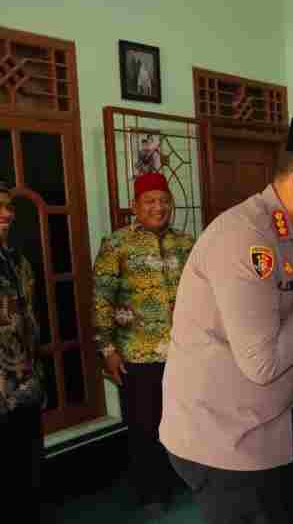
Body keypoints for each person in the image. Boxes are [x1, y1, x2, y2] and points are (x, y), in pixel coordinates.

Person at [160, 118, 293, 524]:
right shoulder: (247, 238)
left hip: (271, 427)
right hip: (227, 441)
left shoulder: (292, 237)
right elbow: (263, 362)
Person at [93, 171, 195, 514]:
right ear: (135, 206)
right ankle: (151, 492)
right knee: (144, 426)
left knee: (181, 420)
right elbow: (101, 299)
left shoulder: (186, 243)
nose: (158, 207)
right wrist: (107, 350)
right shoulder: (117, 244)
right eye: (150, 201)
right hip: (137, 354)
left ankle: (178, 479)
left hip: (182, 353)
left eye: (164, 201)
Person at [0, 181, 44, 523]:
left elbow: (29, 319)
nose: (6, 213)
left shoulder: (19, 260)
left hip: (25, 380)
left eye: (8, 206)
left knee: (27, 467)